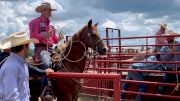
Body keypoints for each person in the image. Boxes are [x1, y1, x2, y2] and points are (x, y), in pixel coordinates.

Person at [0, 32, 41, 100]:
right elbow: (11, 97)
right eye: (28, 45)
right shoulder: (12, 66)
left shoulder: (18, 64)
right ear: (25, 46)